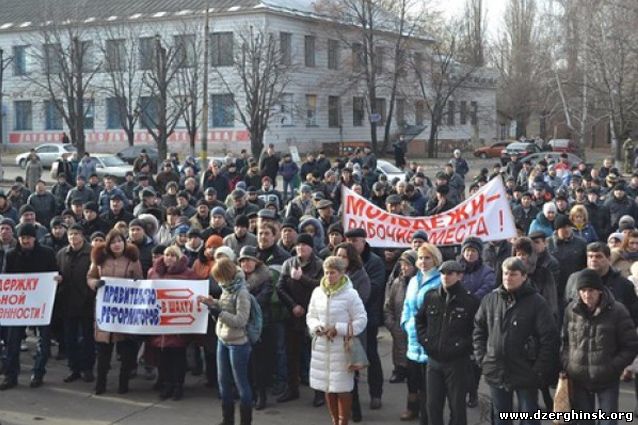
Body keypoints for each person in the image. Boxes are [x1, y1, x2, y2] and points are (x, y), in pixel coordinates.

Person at [473, 257, 559, 425]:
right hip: (496, 370)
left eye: (513, 274)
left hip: (526, 371)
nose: (508, 278)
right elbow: (479, 330)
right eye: (505, 273)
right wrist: (483, 358)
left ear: (524, 276)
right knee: (501, 418)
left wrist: (538, 369)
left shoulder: (537, 302)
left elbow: (549, 338)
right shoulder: (490, 300)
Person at [561, 269, 638, 425]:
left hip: (607, 378)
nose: (587, 295)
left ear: (600, 291)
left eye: (591, 290)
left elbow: (630, 345)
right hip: (579, 377)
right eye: (583, 291)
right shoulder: (571, 310)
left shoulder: (617, 311)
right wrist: (568, 364)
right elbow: (565, 341)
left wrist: (614, 366)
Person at [416, 260, 479, 425]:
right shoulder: (431, 296)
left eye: (450, 273)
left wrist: (461, 346)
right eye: (443, 273)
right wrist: (426, 341)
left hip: (457, 362)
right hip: (433, 360)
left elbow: (476, 331)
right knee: (433, 405)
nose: (445, 277)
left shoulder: (470, 301)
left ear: (460, 276)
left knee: (457, 407)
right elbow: (420, 321)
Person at [307, 256, 368, 425]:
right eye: (326, 273)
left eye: (333, 273)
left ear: (342, 273)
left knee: (342, 388)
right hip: (322, 346)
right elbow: (311, 316)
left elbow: (361, 320)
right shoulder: (317, 292)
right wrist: (317, 327)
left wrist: (339, 328)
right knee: (328, 386)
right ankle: (334, 420)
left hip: (342, 348)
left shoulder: (351, 294)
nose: (329, 276)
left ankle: (343, 422)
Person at [0, 223, 60, 390]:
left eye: (28, 237)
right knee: (12, 342)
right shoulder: (11, 255)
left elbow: (54, 273)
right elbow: (6, 278)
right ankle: (11, 375)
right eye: (22, 238)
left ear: (34, 238)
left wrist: (57, 280)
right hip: (19, 307)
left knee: (43, 342)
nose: (25, 241)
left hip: (40, 305)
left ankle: (38, 373)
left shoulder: (47, 253)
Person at [87, 229, 144, 395]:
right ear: (108, 244)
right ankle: (100, 383)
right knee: (103, 351)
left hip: (125, 312)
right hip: (105, 310)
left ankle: (123, 383)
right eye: (113, 242)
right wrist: (95, 283)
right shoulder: (99, 259)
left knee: (126, 351)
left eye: (119, 241)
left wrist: (134, 283)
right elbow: (90, 277)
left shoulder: (133, 259)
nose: (117, 245)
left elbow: (140, 280)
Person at [198, 258, 254, 425]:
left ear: (226, 275)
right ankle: (227, 420)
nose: (218, 281)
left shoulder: (242, 292)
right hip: (223, 339)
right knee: (223, 382)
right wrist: (211, 302)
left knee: (241, 384)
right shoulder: (227, 288)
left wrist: (219, 312)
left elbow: (241, 320)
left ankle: (245, 421)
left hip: (238, 343)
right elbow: (223, 305)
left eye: (219, 277)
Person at [276, 234, 324, 404]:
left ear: (311, 247)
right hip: (293, 315)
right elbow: (280, 287)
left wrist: (301, 278)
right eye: (298, 245)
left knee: (316, 356)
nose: (300, 248)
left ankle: (319, 392)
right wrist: (293, 305)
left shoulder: (319, 265)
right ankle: (292, 389)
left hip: (314, 315)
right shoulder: (289, 263)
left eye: (304, 245)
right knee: (292, 354)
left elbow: (321, 286)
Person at [400, 243, 443, 424]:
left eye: (427, 258)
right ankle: (414, 410)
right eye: (420, 258)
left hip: (428, 340)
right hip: (412, 339)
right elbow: (407, 306)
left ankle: (428, 418)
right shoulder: (413, 281)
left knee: (429, 387)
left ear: (435, 259)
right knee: (413, 381)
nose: (423, 261)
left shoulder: (439, 281)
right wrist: (405, 323)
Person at [147, 246, 197, 401]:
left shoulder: (188, 274)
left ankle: (178, 386)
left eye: (173, 255)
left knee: (178, 358)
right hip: (160, 325)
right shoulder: (153, 272)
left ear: (178, 257)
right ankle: (167, 385)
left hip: (178, 325)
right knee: (162, 358)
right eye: (167, 255)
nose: (169, 258)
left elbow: (195, 294)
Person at [56, 224, 95, 384]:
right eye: (71, 234)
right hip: (67, 302)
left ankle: (88, 369)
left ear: (83, 235)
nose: (73, 237)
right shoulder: (61, 254)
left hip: (86, 302)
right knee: (70, 338)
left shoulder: (92, 253)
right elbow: (56, 271)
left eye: (76, 234)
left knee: (87, 339)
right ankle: (74, 368)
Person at [238, 246, 274, 410]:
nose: (246, 263)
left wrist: (242, 305)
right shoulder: (237, 279)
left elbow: (262, 300)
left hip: (259, 325)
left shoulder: (265, 278)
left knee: (258, 363)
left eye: (249, 260)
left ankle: (261, 396)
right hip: (240, 326)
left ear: (256, 262)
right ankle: (249, 394)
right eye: (243, 260)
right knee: (244, 363)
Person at [384, 250, 417, 386]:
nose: (404, 268)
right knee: (399, 348)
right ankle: (399, 370)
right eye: (402, 264)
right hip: (398, 324)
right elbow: (388, 305)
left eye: (408, 265)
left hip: (415, 327)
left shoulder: (420, 283)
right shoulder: (397, 283)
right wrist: (391, 324)